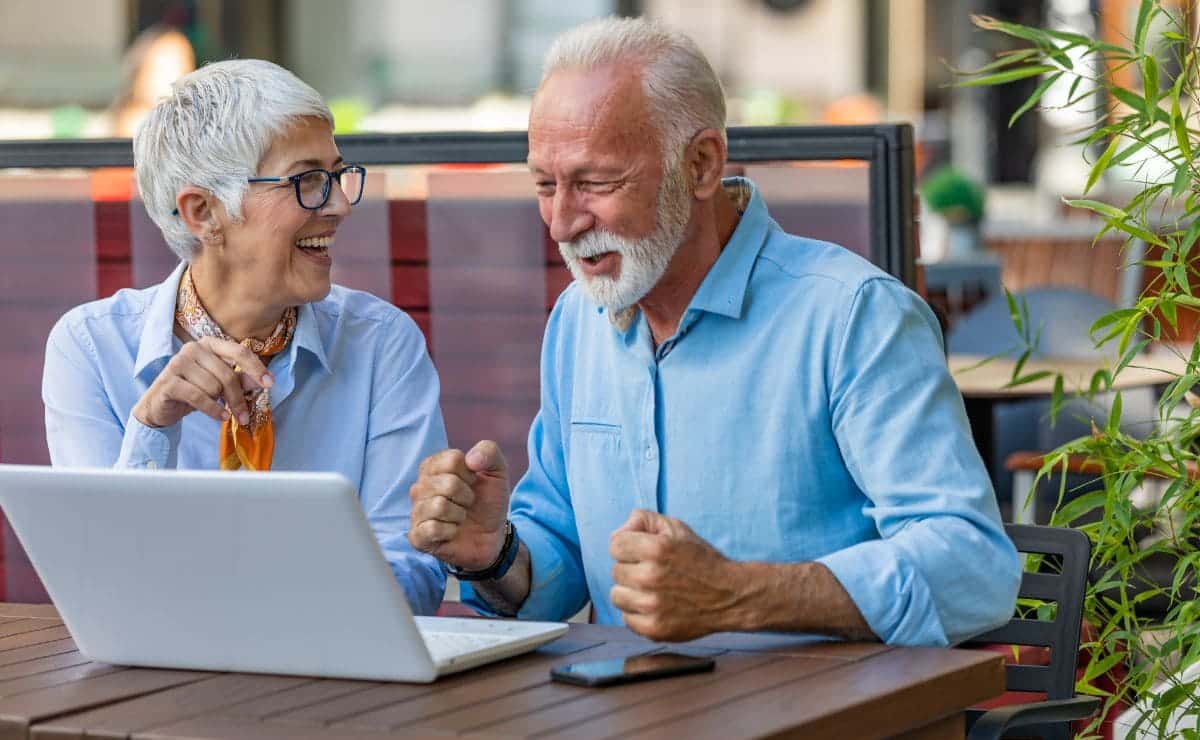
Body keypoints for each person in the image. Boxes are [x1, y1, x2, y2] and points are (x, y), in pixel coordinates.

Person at [408, 17, 1022, 645]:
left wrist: (739, 594)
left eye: (595, 182)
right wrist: (492, 556)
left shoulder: (852, 316)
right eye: (545, 185)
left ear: (700, 165)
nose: (562, 222)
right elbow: (563, 556)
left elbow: (972, 568)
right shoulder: (576, 320)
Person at [43, 59, 448, 614]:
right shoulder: (90, 349)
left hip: (338, 682)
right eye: (307, 181)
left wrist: (256, 606)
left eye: (337, 175)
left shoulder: (381, 345)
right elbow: (99, 587)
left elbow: (413, 570)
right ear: (204, 212)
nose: (339, 204)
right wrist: (152, 429)